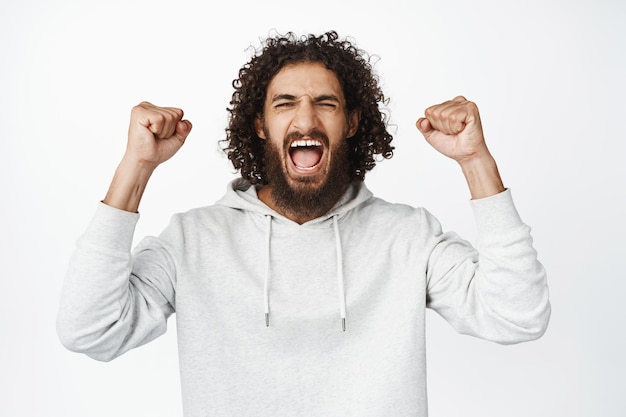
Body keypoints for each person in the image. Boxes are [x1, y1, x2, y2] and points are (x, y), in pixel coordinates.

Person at [57, 31, 551, 417]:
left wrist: (475, 161)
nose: (306, 119)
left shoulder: (407, 237)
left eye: (326, 104)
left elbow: (518, 314)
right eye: (285, 102)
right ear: (260, 125)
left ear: (352, 123)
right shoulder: (193, 241)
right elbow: (89, 329)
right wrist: (136, 168)